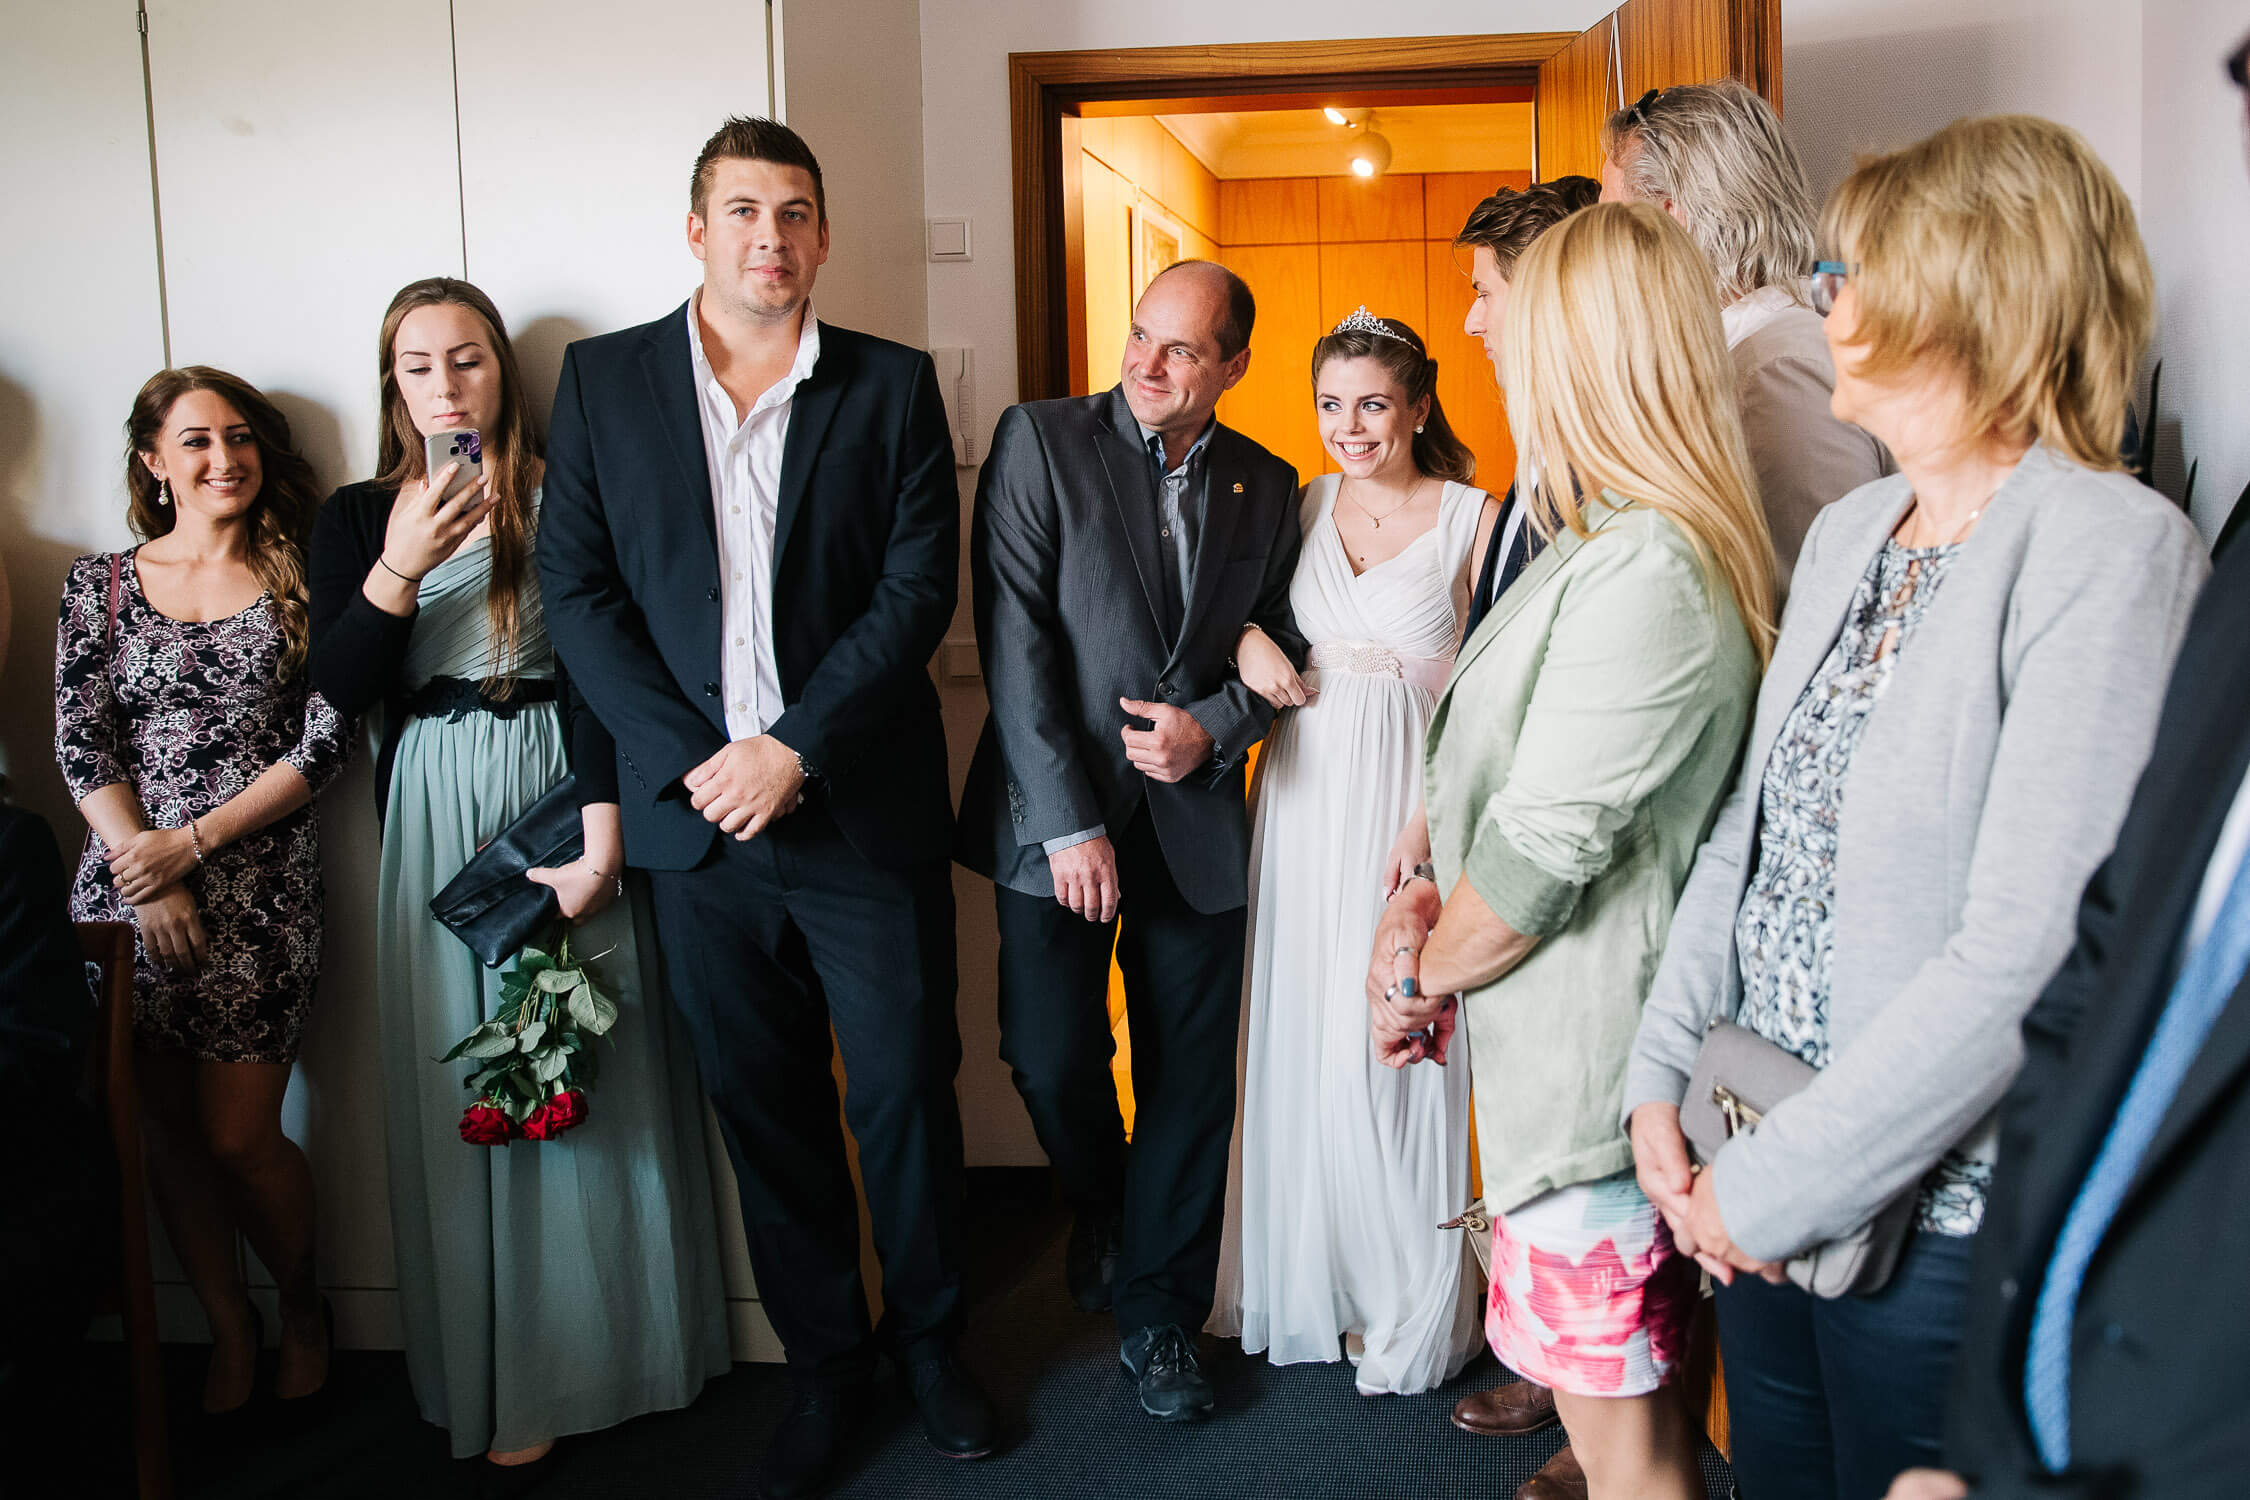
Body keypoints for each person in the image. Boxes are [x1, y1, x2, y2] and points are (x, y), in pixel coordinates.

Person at [1622, 115, 2209, 1500]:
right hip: (1750, 1162)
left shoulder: (2107, 549)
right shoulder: (1845, 534)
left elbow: (2024, 957)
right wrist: (1655, 1085)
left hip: (1934, 1222)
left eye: (1851, 271)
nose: (1824, 299)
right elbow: (1742, 842)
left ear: (1969, 295)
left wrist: (1764, 1195)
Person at [535, 118, 992, 1497]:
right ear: (695, 230)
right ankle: (825, 1369)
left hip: (853, 809)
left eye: (794, 214)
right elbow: (581, 595)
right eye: (743, 212)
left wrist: (790, 747)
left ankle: (933, 1348)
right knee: (766, 1105)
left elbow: (915, 591)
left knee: (909, 1090)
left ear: (824, 237)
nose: (770, 239)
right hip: (696, 829)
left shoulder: (891, 386)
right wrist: (695, 762)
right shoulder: (603, 384)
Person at [1884, 43, 2250, 1500]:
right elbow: (2107, 974)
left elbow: (2020, 944)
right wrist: (1994, 1431)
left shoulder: (2122, 549)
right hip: (2027, 1399)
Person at [1369, 201, 1775, 1500]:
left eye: (1518, 331)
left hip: (1603, 1096)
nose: (1490, 348)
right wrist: (1420, 913)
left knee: (1632, 1464)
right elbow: (1489, 788)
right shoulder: (1598, 534)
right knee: (1619, 1451)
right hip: (1555, 1067)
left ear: (1588, 354)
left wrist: (1414, 971)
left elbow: (1539, 861)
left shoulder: (1651, 566)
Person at [309, 278, 729, 1488]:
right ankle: (501, 1368)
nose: (448, 386)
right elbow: (334, 693)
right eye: (420, 366)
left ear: (507, 373)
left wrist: (603, 842)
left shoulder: (571, 495)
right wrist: (397, 567)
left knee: (600, 1063)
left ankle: (628, 1356)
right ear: (392, 386)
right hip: (436, 803)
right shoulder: (354, 518)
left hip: (568, 784)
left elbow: (609, 673)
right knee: (470, 1081)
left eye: (470, 361)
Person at [957, 258, 1305, 1423]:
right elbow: (1016, 642)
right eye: (1142, 336)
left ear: (1234, 368)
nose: (1147, 364)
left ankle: (1159, 1319)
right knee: (1051, 1057)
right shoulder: (1039, 442)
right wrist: (1067, 822)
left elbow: (1290, 643)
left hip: (1196, 830)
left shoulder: (1269, 482)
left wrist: (1213, 730)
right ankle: (1101, 1203)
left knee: (1191, 1082)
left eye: (1183, 350)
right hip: (1052, 821)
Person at [1207, 309, 1496, 1396]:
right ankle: (1309, 1277)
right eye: (1333, 404)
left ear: (1419, 404)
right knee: (1304, 1028)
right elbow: (1240, 615)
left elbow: (1487, 693)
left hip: (1408, 801)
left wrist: (1424, 839)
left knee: (1399, 1035)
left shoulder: (1476, 518)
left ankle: (1405, 1286)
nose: (1351, 426)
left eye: (1373, 403)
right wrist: (1245, 640)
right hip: (1303, 789)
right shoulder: (1303, 502)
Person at [54, 367, 352, 1414]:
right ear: (152, 459)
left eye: (239, 438)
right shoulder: (96, 584)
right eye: (195, 441)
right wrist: (147, 871)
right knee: (165, 1136)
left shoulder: (306, 575)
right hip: (126, 895)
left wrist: (194, 847)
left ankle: (305, 1304)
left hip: (262, 892)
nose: (223, 459)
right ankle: (228, 1325)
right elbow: (81, 745)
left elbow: (326, 743)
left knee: (238, 1137)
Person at [1601, 78, 1891, 586]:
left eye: (1612, 223)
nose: (1600, 251)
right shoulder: (1799, 324)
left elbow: (1809, 595)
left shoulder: (1775, 370)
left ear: (1670, 220)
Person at [1454, 176, 1600, 637]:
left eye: (1483, 293)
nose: (1471, 324)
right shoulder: (1543, 445)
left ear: (1542, 293)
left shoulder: (1601, 459)